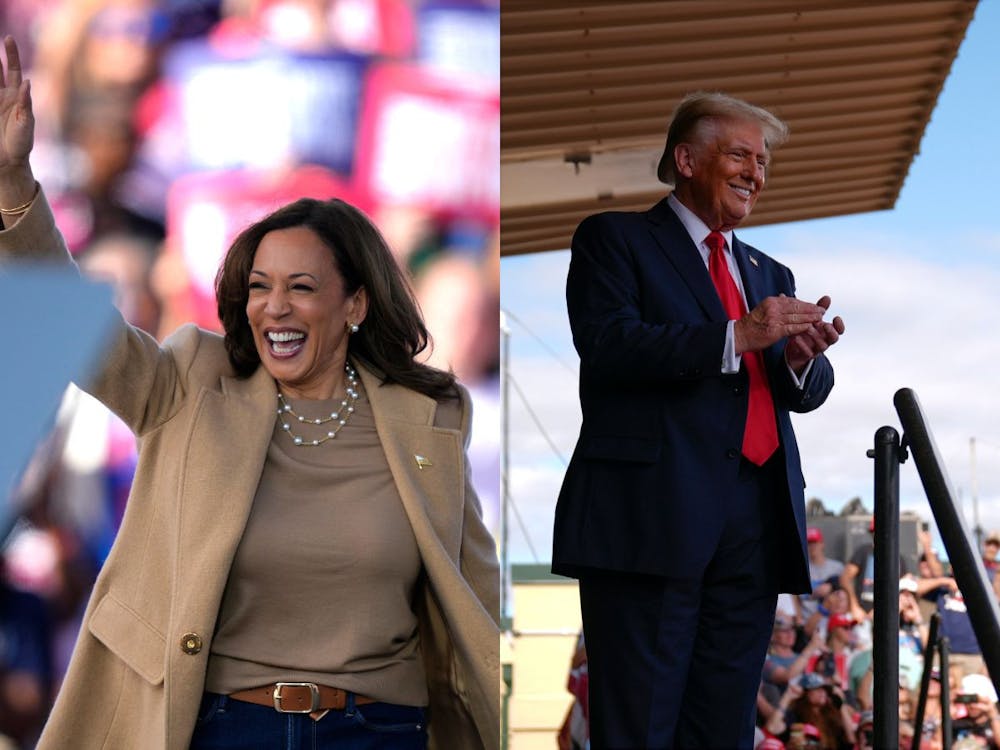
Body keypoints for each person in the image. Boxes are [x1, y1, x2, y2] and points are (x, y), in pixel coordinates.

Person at [0, 35, 499, 750]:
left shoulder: (429, 418)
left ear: (356, 304)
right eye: (259, 288)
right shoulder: (193, 382)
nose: (274, 308)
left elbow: (473, 601)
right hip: (223, 730)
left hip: (379, 732)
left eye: (302, 288)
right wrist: (15, 184)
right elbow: (78, 330)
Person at [551, 90, 844, 748]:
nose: (755, 174)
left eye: (763, 163)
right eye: (739, 155)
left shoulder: (771, 271)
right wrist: (737, 335)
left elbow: (804, 389)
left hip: (755, 524)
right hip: (650, 519)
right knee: (642, 725)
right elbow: (609, 345)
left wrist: (798, 358)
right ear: (685, 159)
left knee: (724, 727)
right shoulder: (615, 240)